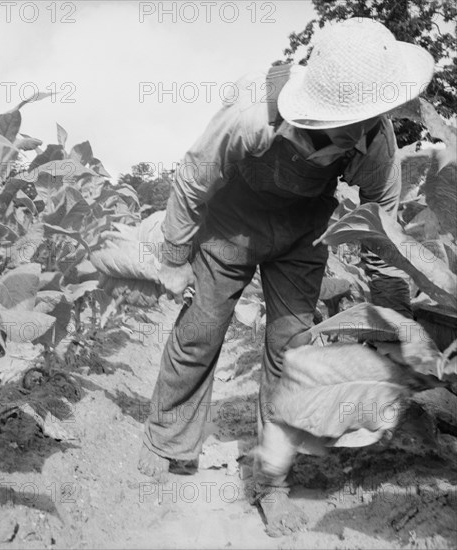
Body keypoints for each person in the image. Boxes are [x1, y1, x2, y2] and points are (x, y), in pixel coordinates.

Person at [137, 18, 435, 536]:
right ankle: (168, 442)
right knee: (200, 332)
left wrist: (391, 311)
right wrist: (174, 256)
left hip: (302, 235)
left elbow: (381, 231)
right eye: (354, 121)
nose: (362, 131)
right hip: (229, 224)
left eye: (372, 117)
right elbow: (192, 177)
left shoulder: (377, 142)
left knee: (290, 349)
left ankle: (269, 481)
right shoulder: (255, 110)